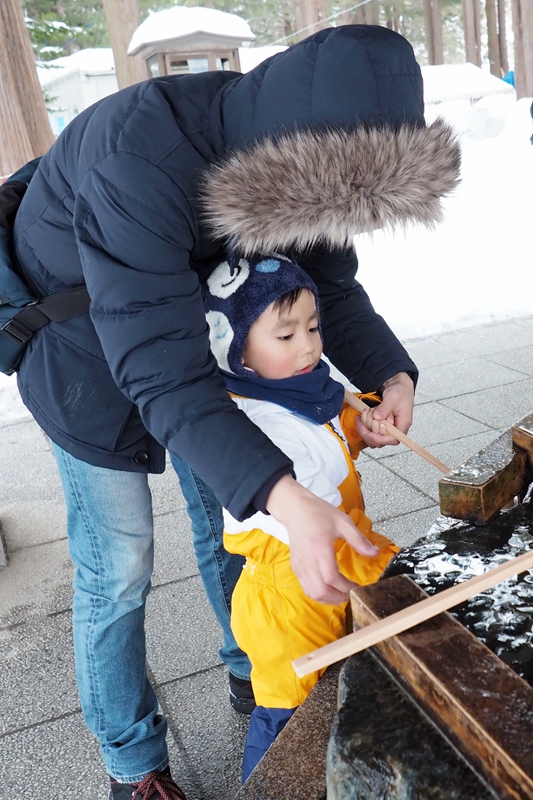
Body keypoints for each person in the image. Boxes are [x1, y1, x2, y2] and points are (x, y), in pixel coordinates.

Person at [9, 24, 460, 800]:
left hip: (197, 337)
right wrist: (292, 497)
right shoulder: (137, 157)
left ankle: (256, 672)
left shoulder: (295, 168)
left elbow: (332, 288)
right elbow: (160, 375)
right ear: (287, 151)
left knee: (227, 524)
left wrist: (391, 373)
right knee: (117, 565)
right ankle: (132, 761)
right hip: (78, 348)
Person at [203, 252, 401, 779]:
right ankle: (265, 786)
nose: (310, 345)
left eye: (313, 326)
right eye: (285, 335)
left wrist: (363, 425)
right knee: (290, 719)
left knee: (335, 691)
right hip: (289, 601)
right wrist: (391, 571)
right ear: (236, 349)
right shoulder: (256, 423)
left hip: (324, 579)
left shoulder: (299, 388)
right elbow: (330, 535)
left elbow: (331, 428)